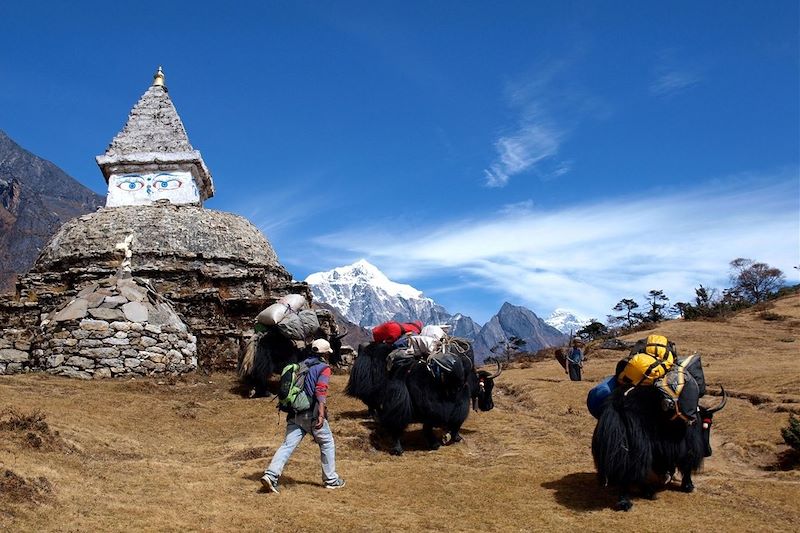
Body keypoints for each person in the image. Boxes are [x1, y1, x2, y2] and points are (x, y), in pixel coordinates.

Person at [261, 339, 346, 493]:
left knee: (287, 445)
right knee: (327, 442)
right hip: (311, 413)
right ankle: (331, 480)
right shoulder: (323, 368)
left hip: (294, 412)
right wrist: (321, 413)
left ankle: (271, 475)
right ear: (325, 353)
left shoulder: (301, 365)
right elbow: (320, 390)